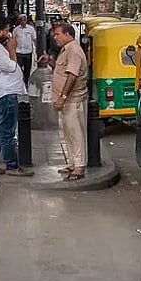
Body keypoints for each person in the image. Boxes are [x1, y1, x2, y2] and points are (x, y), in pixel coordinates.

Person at [0, 18, 34, 177]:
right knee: (7, 132)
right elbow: (11, 66)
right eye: (7, 31)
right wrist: (12, 49)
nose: (8, 34)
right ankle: (12, 166)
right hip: (3, 94)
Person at [48, 23, 89, 180]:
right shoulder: (66, 50)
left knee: (75, 132)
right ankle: (73, 162)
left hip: (73, 100)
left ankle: (79, 166)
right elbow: (63, 71)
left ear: (67, 34)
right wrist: (51, 62)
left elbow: (72, 76)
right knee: (68, 133)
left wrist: (63, 97)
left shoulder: (74, 50)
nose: (55, 37)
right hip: (67, 101)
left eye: (57, 34)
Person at [11, 14, 37, 87]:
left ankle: (26, 82)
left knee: (27, 68)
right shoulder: (16, 29)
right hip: (19, 51)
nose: (23, 21)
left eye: (24, 20)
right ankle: (20, 80)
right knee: (19, 67)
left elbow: (34, 39)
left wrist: (36, 49)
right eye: (21, 20)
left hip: (28, 51)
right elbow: (13, 40)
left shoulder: (31, 29)